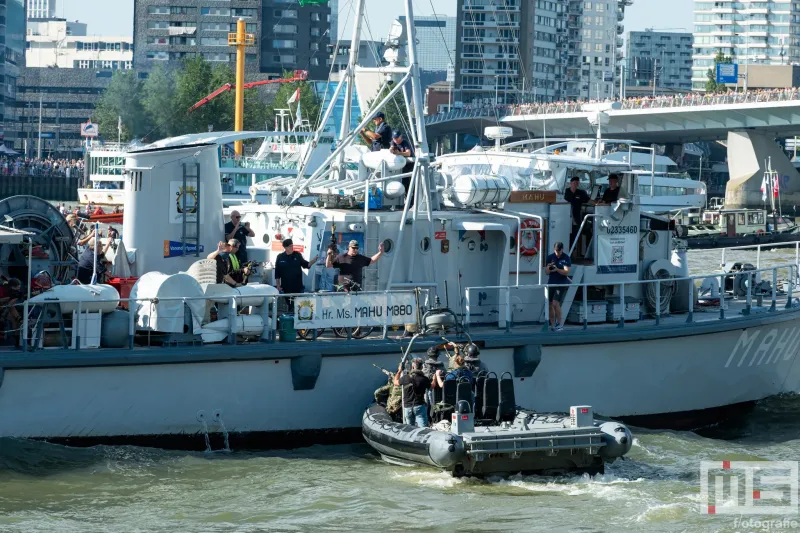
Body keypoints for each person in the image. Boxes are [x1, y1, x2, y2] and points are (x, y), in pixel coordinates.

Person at [394, 357, 431, 428]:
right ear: (421, 367)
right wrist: (436, 377)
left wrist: (399, 371)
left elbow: (395, 382)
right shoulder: (424, 379)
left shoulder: (405, 378)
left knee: (410, 429)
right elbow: (431, 386)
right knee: (423, 429)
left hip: (407, 407)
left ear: (413, 366)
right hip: (419, 406)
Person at [545, 241, 572, 332]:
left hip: (561, 283)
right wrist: (549, 268)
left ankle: (560, 324)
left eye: (559, 251)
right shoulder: (550, 257)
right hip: (551, 282)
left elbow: (566, 272)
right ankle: (553, 325)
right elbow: (547, 272)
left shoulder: (565, 258)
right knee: (549, 304)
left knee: (555, 303)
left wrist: (557, 269)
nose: (557, 253)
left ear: (562, 249)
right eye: (556, 251)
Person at [564, 175, 590, 248]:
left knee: (575, 234)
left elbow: (589, 200)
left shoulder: (581, 193)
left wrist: (598, 203)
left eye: (577, 183)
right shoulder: (565, 192)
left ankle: (573, 251)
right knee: (566, 234)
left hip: (577, 217)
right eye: (574, 182)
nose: (576, 184)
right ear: (570, 183)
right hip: (566, 217)